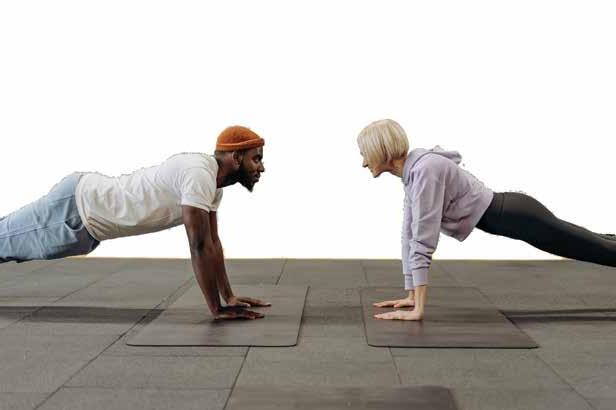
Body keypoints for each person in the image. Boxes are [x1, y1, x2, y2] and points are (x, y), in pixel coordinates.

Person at [0, 125, 270, 320]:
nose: (261, 167)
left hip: (87, 227)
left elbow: (212, 244)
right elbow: (198, 246)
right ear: (236, 158)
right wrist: (216, 308)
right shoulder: (198, 174)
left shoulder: (212, 187)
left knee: (7, 244)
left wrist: (228, 296)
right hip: (75, 210)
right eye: (256, 158)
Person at [357, 119, 616, 321]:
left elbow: (424, 238)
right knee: (598, 243)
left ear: (382, 151)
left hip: (519, 217)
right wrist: (411, 294)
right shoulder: (414, 174)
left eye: (365, 154)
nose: (364, 163)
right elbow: (409, 233)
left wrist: (418, 311)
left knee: (596, 248)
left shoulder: (425, 171)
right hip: (514, 214)